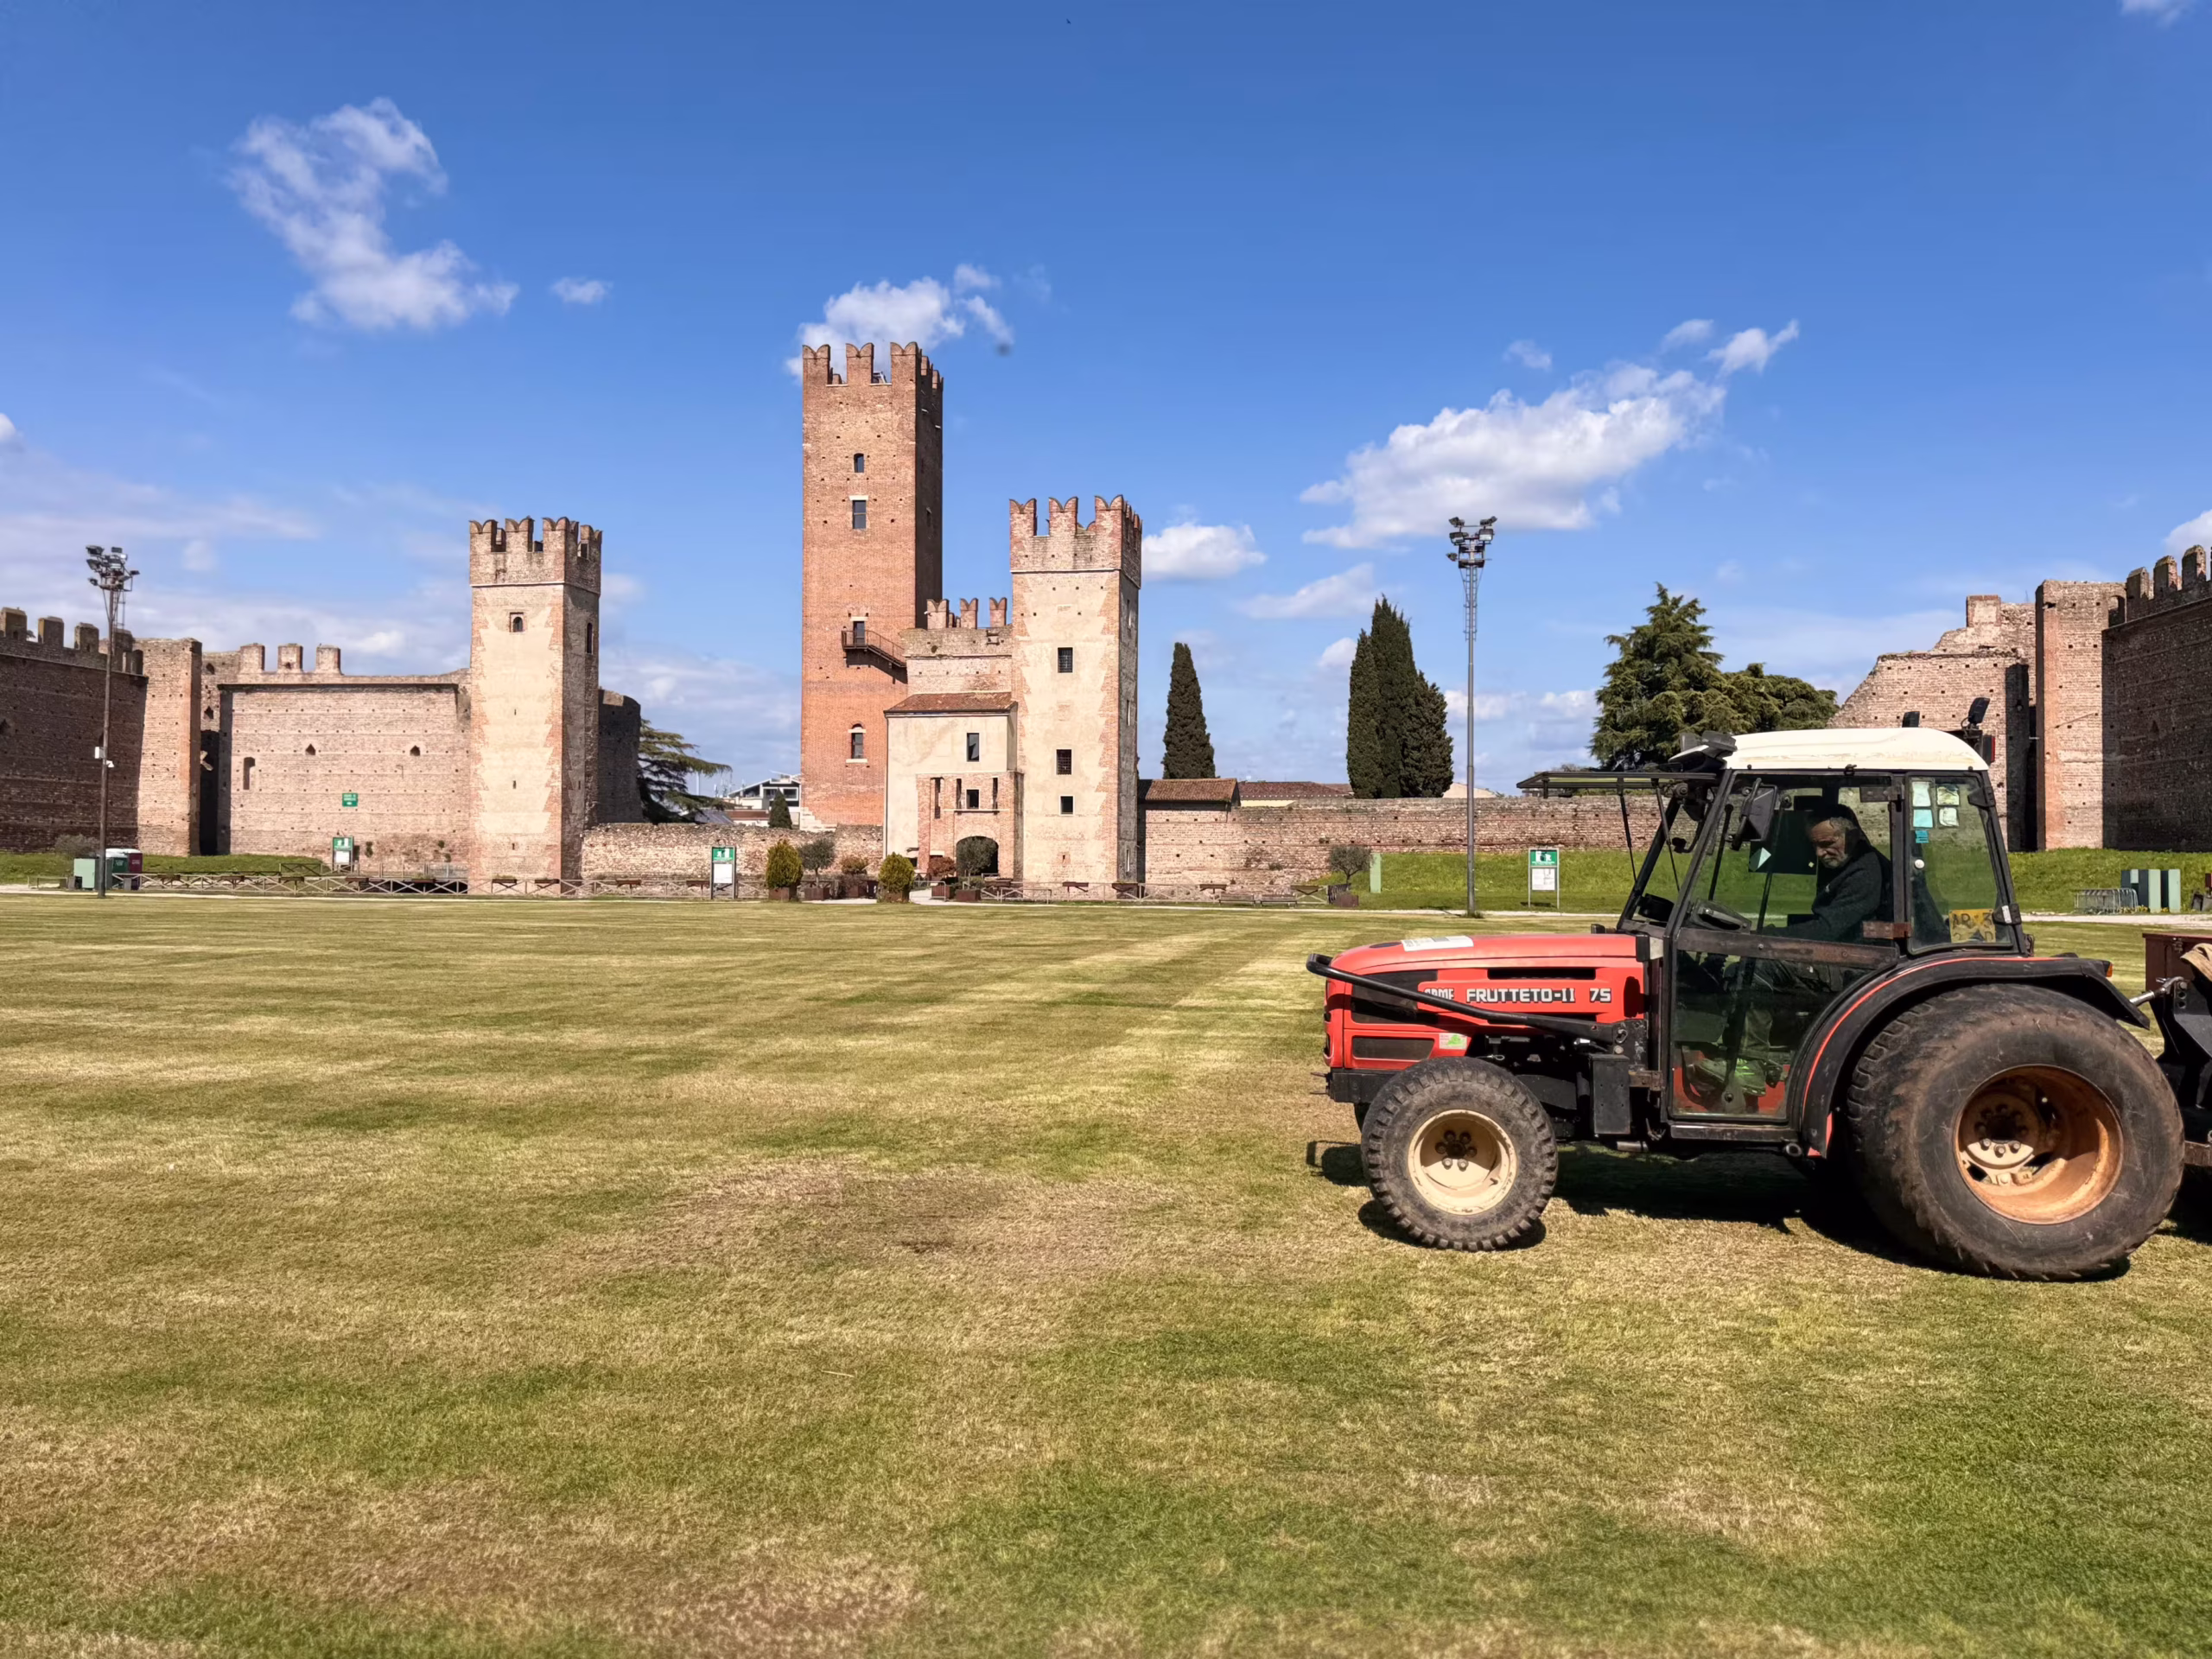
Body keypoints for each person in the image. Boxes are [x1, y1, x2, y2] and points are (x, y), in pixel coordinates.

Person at [1783, 806, 1893, 942]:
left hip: (1863, 953)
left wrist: (1767, 936)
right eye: (1814, 845)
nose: (1819, 853)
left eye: (1827, 843)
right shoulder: (1842, 861)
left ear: (1852, 837)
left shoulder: (1864, 874)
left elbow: (1827, 930)